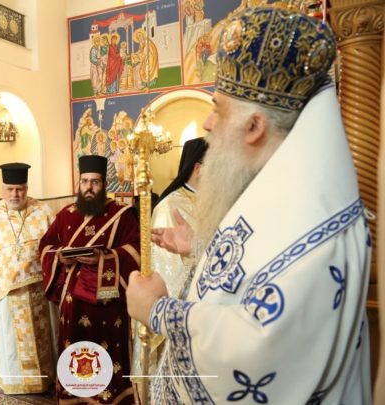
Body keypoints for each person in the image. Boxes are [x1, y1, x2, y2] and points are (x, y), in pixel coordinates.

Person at [126, 7, 371, 404]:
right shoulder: (277, 186)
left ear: (255, 126)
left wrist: (158, 310)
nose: (207, 124)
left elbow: (262, 344)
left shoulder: (308, 214)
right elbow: (259, 275)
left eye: (217, 109)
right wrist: (200, 247)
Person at [39, 155, 140, 404]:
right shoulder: (66, 214)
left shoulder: (121, 214)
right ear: (79, 183)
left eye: (95, 182)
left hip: (108, 301)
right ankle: (75, 395)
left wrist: (104, 258)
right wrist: (61, 257)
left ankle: (110, 398)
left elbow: (137, 251)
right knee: (75, 347)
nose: (89, 187)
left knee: (108, 349)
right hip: (72, 301)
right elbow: (46, 247)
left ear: (104, 184)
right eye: (84, 181)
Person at [0, 162, 56, 394]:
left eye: (20, 189)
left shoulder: (43, 212)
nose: (15, 194)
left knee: (43, 335)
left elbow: (55, 248)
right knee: (10, 337)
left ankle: (45, 379)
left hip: (39, 290)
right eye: (10, 189)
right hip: (7, 293)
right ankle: (15, 381)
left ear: (26, 188)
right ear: (3, 188)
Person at [131, 137, 207, 379]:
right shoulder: (170, 206)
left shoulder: (217, 202)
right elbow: (167, 271)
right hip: (184, 313)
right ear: (198, 168)